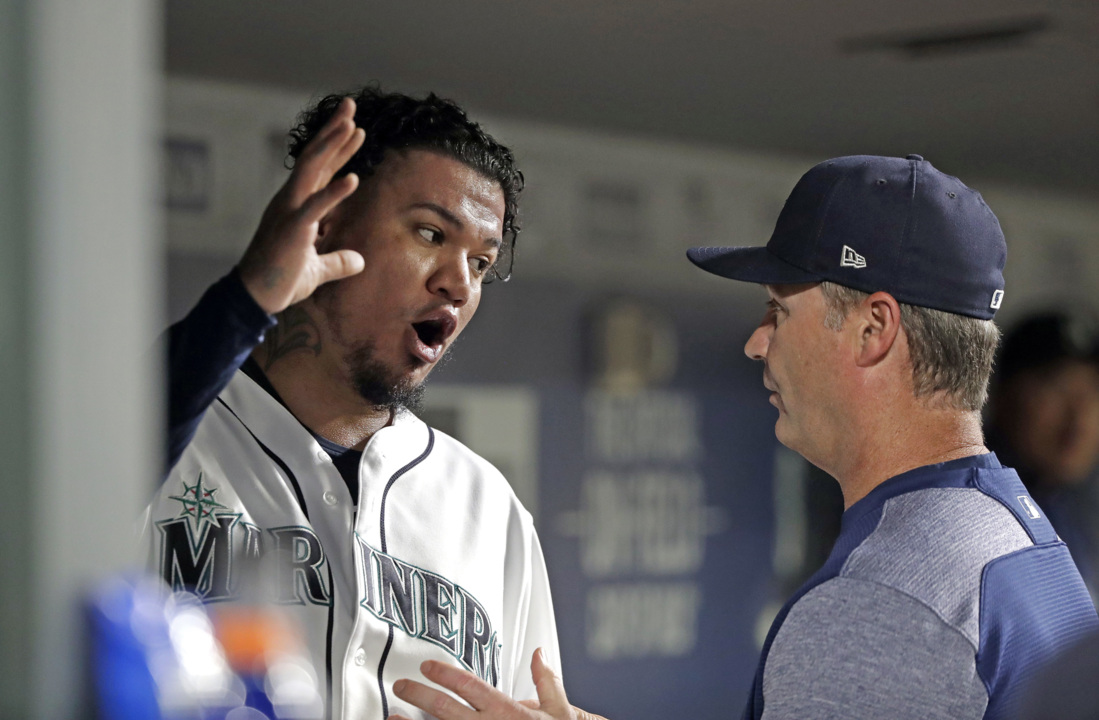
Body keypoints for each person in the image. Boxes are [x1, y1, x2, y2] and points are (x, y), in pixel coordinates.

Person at [386, 155, 1099, 720]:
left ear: (873, 330)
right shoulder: (1005, 530)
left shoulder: (884, 601)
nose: (757, 344)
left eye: (778, 313)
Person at [143, 88, 560, 720]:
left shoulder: (489, 507)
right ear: (327, 225)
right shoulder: (168, 432)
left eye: (481, 262)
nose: (458, 282)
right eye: (429, 233)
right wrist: (248, 298)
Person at [986, 310, 1099, 601]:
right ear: (1001, 396)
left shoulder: (1075, 502)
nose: (1079, 418)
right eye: (1057, 387)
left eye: (1092, 391)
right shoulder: (970, 507)